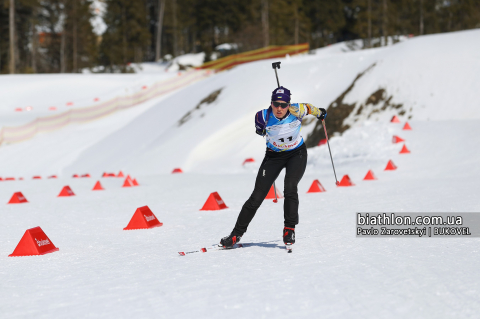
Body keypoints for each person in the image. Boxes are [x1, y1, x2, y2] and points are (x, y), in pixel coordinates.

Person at [220, 86, 327, 248]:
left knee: (290, 186)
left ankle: (289, 228)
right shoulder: (262, 116)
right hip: (274, 156)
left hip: (296, 154)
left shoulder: (298, 110)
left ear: (288, 104)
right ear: (271, 103)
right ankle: (235, 235)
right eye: (276, 104)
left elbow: (312, 109)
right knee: (256, 197)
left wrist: (320, 113)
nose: (279, 108)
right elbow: (260, 131)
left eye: (283, 105)